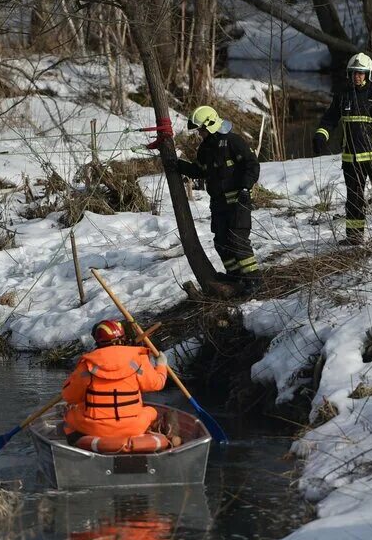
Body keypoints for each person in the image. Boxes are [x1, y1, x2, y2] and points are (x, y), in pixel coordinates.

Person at [163, 105, 262, 291]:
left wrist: (245, 188)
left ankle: (253, 278)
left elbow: (252, 165)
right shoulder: (205, 149)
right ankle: (236, 277)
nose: (199, 133)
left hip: (238, 202)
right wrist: (178, 165)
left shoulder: (233, 141)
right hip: (218, 204)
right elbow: (200, 171)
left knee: (237, 240)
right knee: (221, 242)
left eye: (201, 129)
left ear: (210, 125)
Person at [314, 53, 372, 246]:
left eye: (361, 73)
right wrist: (321, 135)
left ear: (368, 74)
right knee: (354, 199)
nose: (357, 76)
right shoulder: (343, 95)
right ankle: (354, 237)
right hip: (351, 158)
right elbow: (330, 119)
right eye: (354, 73)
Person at [61, 319, 169, 448]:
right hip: (134, 427)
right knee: (152, 411)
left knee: (69, 413)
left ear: (98, 341)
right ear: (123, 337)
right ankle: (156, 433)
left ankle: (75, 443)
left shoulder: (86, 365)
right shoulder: (138, 360)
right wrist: (161, 366)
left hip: (96, 429)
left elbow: (70, 397)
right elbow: (157, 384)